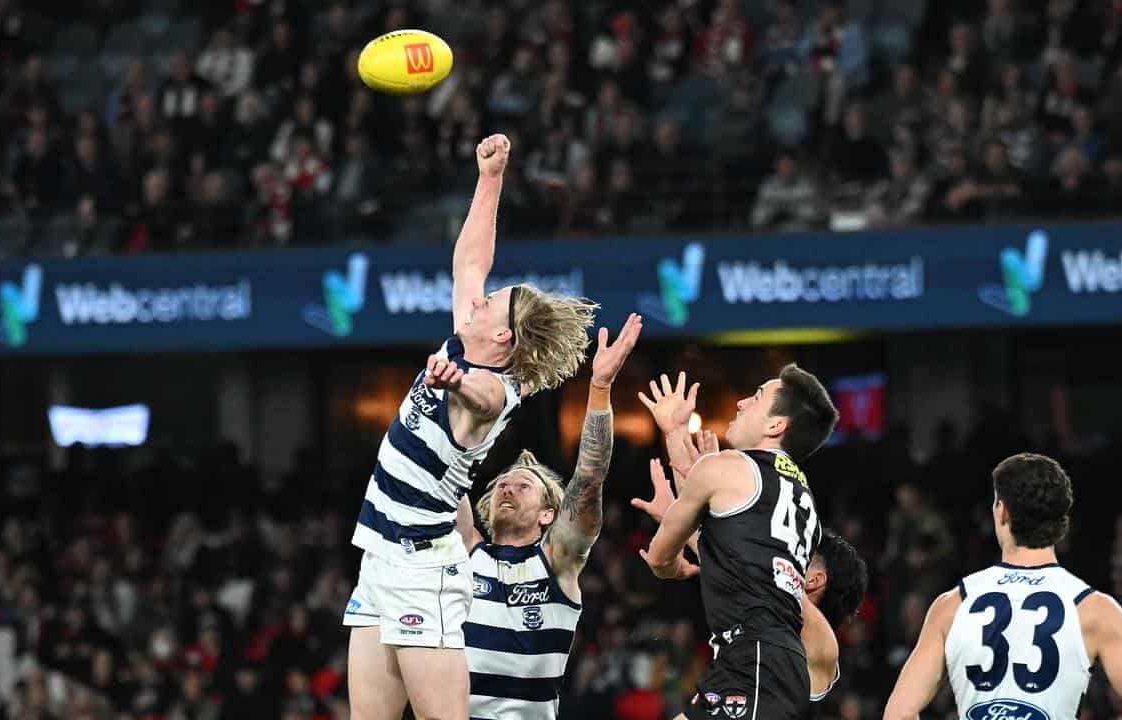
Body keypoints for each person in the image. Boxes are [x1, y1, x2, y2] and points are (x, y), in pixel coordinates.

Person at [342, 134, 599, 720]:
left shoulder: (493, 387)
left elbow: (480, 399)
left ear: (503, 337)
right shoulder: (468, 338)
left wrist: (454, 381)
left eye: (491, 304)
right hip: (380, 557)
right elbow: (469, 261)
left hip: (422, 567)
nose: (478, 302)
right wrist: (490, 178)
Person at [883, 453, 1122, 720]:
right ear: (1062, 522)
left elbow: (897, 715)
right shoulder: (1094, 610)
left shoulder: (952, 605)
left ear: (1002, 511)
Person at [453, 312, 642, 719]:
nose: (508, 487)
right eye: (504, 484)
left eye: (524, 486)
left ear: (548, 515)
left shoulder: (558, 561)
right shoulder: (467, 550)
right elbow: (444, 466)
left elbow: (589, 478)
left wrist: (600, 387)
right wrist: (465, 368)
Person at [638, 368, 840, 720]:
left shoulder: (728, 467)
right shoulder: (801, 497)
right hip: (763, 660)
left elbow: (658, 558)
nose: (742, 401)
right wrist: (674, 432)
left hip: (756, 659)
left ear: (776, 426)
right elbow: (731, 551)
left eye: (757, 396)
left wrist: (672, 561)